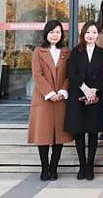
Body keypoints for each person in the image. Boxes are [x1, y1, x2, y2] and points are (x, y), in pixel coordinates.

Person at [28, 20, 72, 181]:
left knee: (59, 135)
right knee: (43, 135)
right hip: (43, 99)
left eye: (58, 32)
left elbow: (70, 75)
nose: (55, 35)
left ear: (62, 34)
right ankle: (44, 168)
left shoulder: (66, 52)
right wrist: (50, 93)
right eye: (52, 32)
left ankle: (54, 167)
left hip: (61, 98)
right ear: (46, 33)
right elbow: (37, 75)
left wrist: (62, 91)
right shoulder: (38, 52)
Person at [65, 21, 103, 181]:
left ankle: (90, 166)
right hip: (78, 96)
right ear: (83, 34)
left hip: (96, 98)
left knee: (93, 132)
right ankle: (82, 165)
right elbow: (72, 73)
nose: (91, 35)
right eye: (88, 32)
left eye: (94, 32)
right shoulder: (76, 52)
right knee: (79, 132)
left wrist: (94, 90)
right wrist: (85, 89)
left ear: (98, 35)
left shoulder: (102, 53)